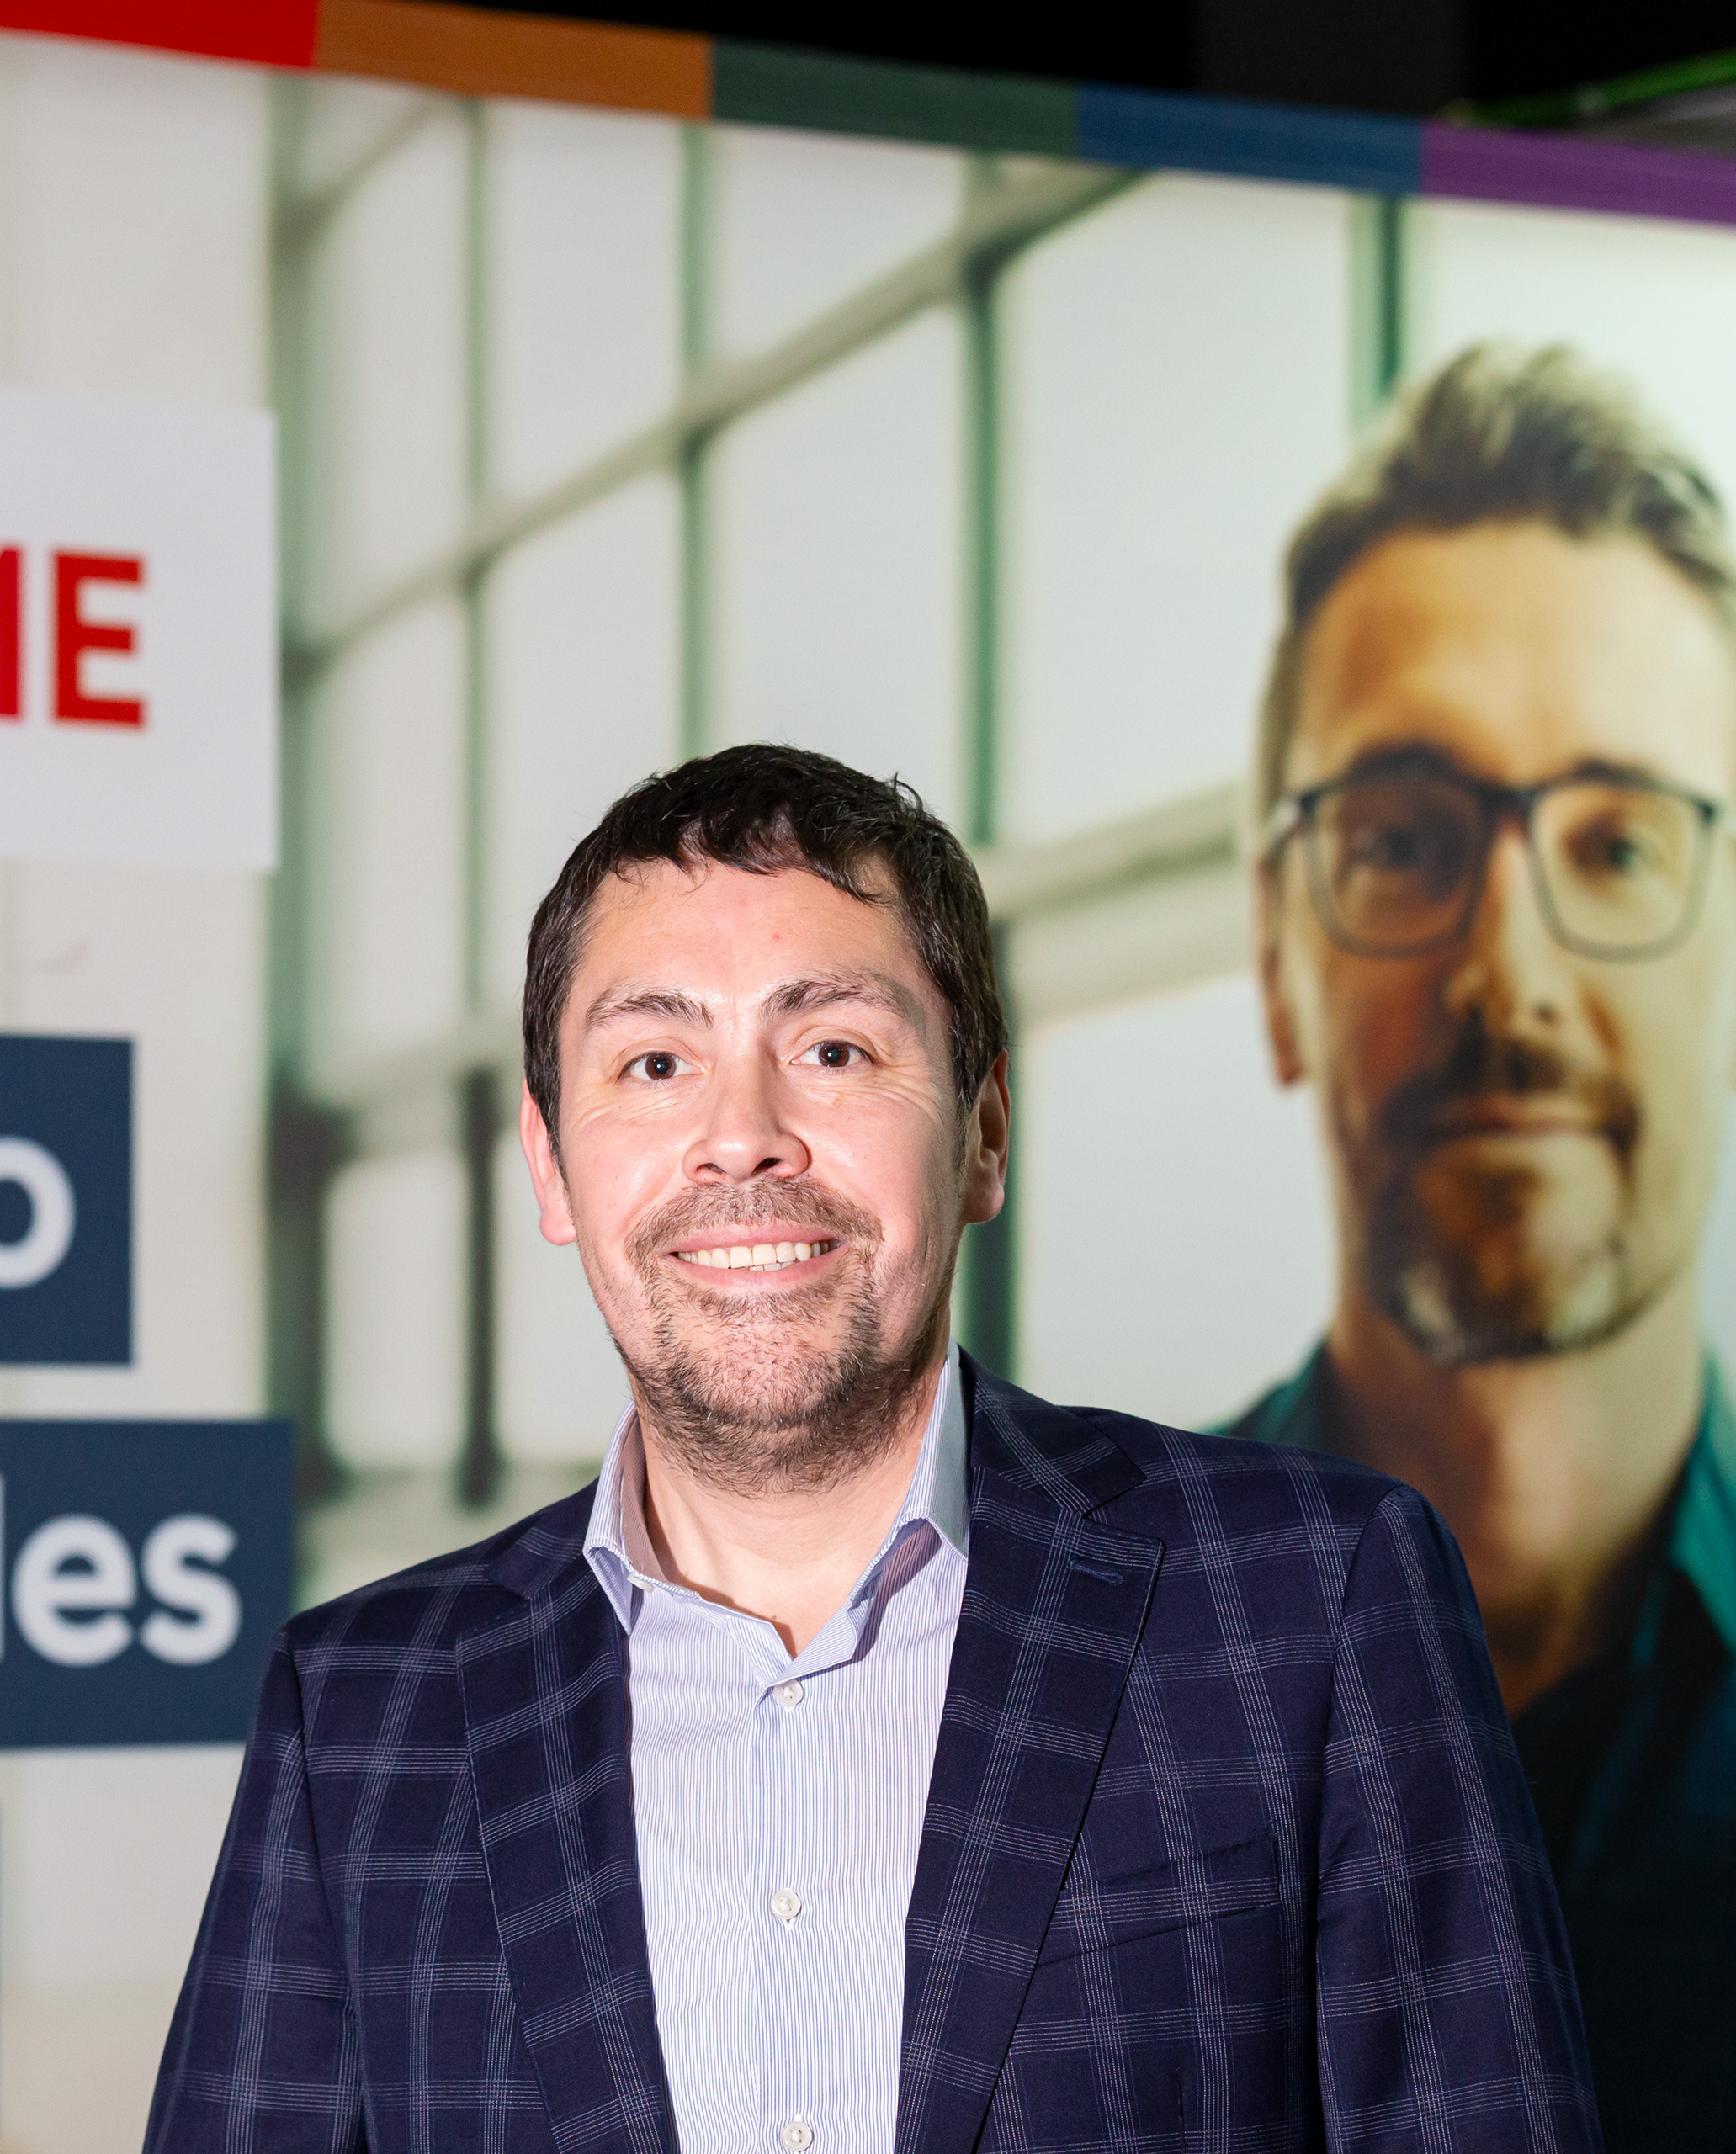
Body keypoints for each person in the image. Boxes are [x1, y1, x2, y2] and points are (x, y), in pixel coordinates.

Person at [148, 744, 1593, 2154]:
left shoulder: (1312, 1600)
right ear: (550, 1165)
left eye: (834, 1049)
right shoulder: (362, 1713)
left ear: (983, 1131)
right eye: (655, 1062)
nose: (742, 1139)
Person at [1234, 342, 1736, 2141]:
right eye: (1404, 839)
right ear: (1276, 955)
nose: (1508, 973)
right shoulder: (1023, 1701)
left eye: (1617, 845)